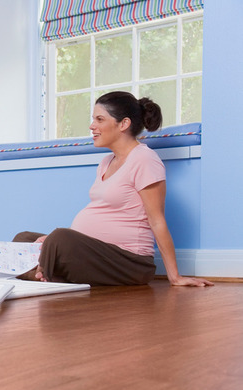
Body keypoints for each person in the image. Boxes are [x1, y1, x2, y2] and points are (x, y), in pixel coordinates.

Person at [14, 91, 213, 287]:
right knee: (22, 238)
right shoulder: (106, 162)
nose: (92, 126)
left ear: (124, 124)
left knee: (59, 237)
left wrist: (175, 277)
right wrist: (50, 242)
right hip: (95, 252)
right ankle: (46, 273)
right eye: (93, 119)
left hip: (129, 262)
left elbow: (157, 220)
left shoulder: (144, 159)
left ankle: (41, 273)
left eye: (100, 119)